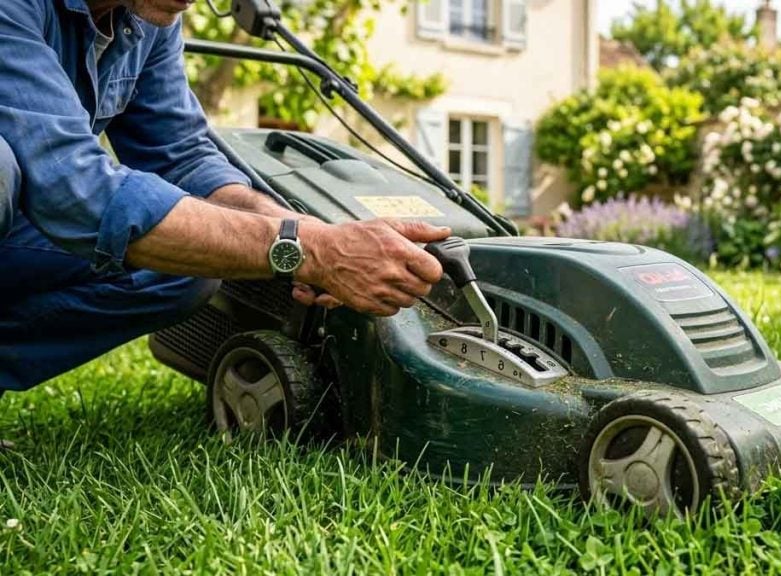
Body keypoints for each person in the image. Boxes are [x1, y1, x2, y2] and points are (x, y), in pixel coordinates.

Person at [0, 0, 450, 395]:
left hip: (18, 225)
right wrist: (311, 252)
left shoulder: (145, 18)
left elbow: (181, 156)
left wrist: (307, 233)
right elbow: (75, 190)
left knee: (186, 263)